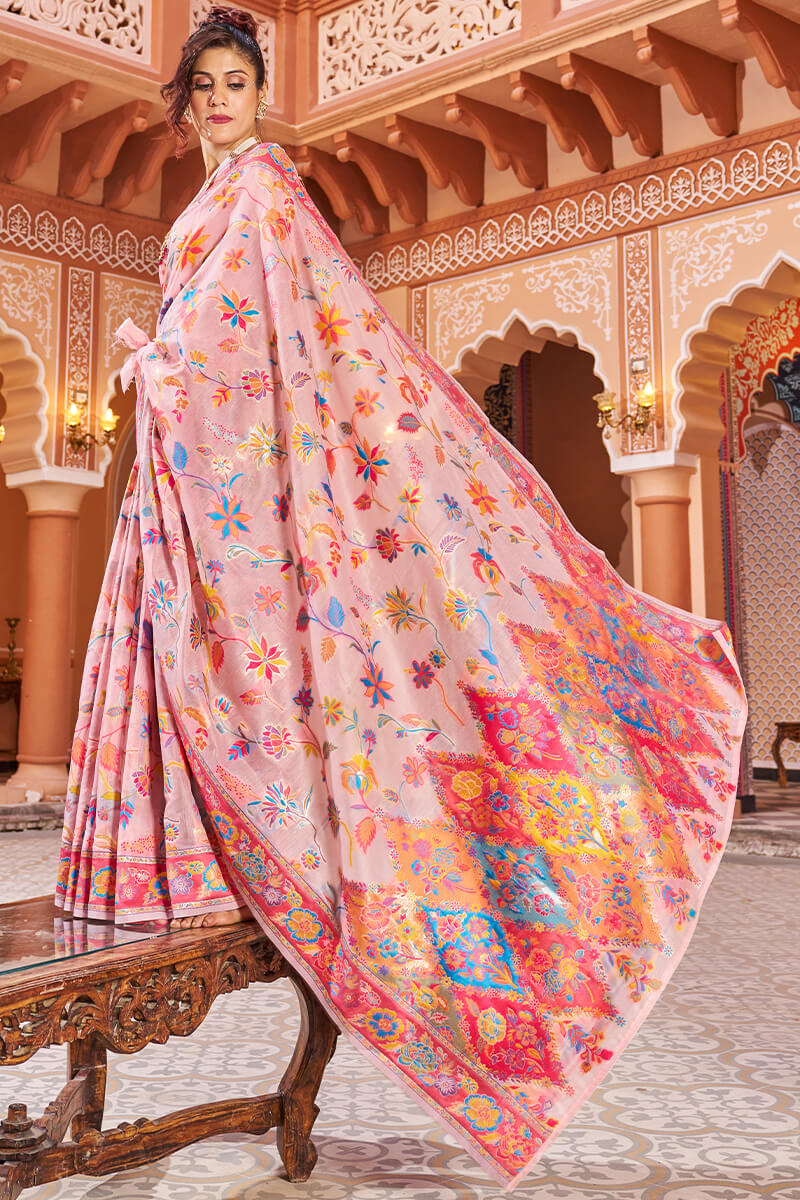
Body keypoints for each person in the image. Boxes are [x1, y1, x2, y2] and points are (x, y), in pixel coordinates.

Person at [55, 6, 747, 1186]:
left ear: (261, 98)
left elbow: (248, 351)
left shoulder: (265, 196)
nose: (221, 100)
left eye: (237, 82)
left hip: (218, 472)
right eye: (205, 86)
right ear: (182, 105)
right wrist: (159, 365)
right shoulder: (208, 208)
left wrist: (153, 366)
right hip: (181, 493)